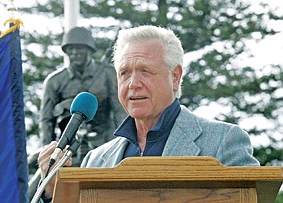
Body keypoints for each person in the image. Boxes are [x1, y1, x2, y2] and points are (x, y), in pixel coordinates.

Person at [37, 25, 260, 202]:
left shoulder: (224, 141)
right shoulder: (96, 160)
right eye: (125, 73)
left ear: (175, 77)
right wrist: (50, 192)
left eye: (145, 71)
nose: (133, 84)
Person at [39, 26, 126, 163]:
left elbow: (120, 111)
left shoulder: (108, 74)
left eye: (79, 48)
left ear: (89, 50)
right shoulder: (54, 81)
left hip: (105, 144)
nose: (75, 53)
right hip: (68, 148)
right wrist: (48, 151)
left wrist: (123, 144)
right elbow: (46, 121)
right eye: (70, 49)